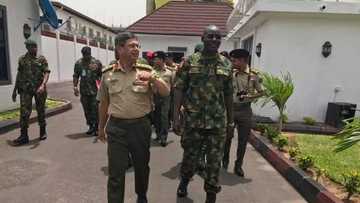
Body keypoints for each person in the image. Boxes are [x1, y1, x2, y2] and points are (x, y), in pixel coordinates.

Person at [97, 31, 170, 203]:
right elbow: (104, 103)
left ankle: (141, 196)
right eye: (132, 46)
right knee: (116, 172)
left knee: (142, 167)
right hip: (116, 127)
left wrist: (153, 79)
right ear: (119, 48)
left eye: (137, 46)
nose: (136, 49)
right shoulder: (107, 73)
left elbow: (166, 92)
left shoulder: (146, 70)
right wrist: (101, 127)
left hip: (140, 126)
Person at [173, 25, 234, 203]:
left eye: (217, 37)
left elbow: (229, 95)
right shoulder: (190, 62)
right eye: (210, 36)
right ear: (202, 38)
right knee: (190, 159)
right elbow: (178, 90)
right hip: (193, 122)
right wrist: (175, 117)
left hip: (217, 123)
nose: (214, 40)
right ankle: (184, 181)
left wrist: (230, 122)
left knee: (214, 163)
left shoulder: (226, 64)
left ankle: (211, 196)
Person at [222, 49, 264, 177]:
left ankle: (238, 165)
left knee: (243, 140)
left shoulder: (254, 75)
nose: (232, 62)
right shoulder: (229, 72)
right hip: (230, 109)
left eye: (234, 60)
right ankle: (224, 160)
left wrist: (249, 96)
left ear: (243, 61)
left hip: (245, 110)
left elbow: (261, 92)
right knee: (227, 137)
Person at [11, 39, 51, 146]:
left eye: (35, 46)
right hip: (25, 90)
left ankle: (42, 131)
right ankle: (24, 136)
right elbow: (19, 75)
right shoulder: (22, 59)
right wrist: (15, 90)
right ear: (27, 48)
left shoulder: (41, 59)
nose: (34, 48)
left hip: (39, 90)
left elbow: (47, 72)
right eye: (31, 47)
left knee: (40, 110)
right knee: (24, 113)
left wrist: (43, 85)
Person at [73, 46, 102, 136]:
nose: (87, 56)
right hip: (84, 91)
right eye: (85, 55)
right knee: (87, 110)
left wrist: (102, 86)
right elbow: (76, 75)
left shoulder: (96, 63)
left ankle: (96, 127)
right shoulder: (78, 63)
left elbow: (102, 75)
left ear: (90, 53)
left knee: (95, 110)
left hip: (94, 91)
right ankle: (90, 126)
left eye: (88, 54)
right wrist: (75, 86)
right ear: (83, 54)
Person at [152, 51, 173, 146]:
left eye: (157, 59)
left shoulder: (169, 72)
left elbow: (173, 85)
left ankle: (164, 138)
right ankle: (158, 134)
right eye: (154, 59)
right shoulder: (152, 71)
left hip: (166, 97)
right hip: (155, 97)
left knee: (164, 116)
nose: (155, 61)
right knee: (156, 117)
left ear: (162, 60)